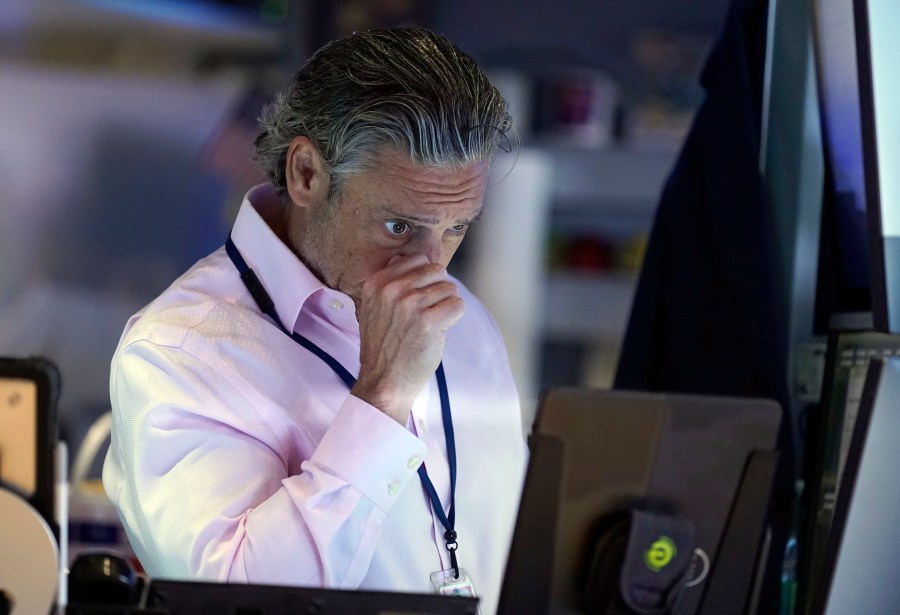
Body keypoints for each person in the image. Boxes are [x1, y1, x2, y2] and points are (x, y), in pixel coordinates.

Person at [102, 27, 528, 614]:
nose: (430, 270)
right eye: (399, 227)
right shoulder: (179, 349)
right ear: (306, 173)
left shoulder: (468, 320)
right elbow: (244, 602)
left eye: (455, 228)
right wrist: (383, 397)